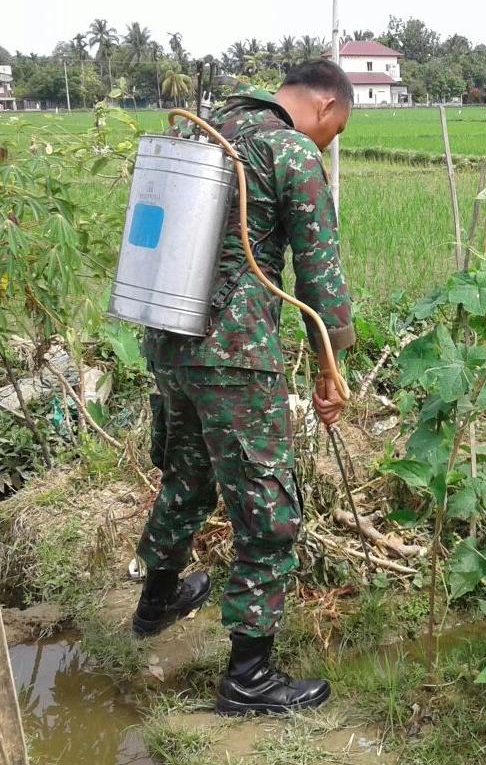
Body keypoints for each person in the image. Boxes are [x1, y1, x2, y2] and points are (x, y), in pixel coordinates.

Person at [132, 60, 355, 717]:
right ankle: (249, 679)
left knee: (189, 474)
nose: (327, 143)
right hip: (234, 355)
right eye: (333, 130)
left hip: (168, 339)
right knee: (269, 512)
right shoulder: (287, 148)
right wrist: (328, 366)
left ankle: (156, 601)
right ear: (322, 104)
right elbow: (319, 274)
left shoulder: (203, 131)